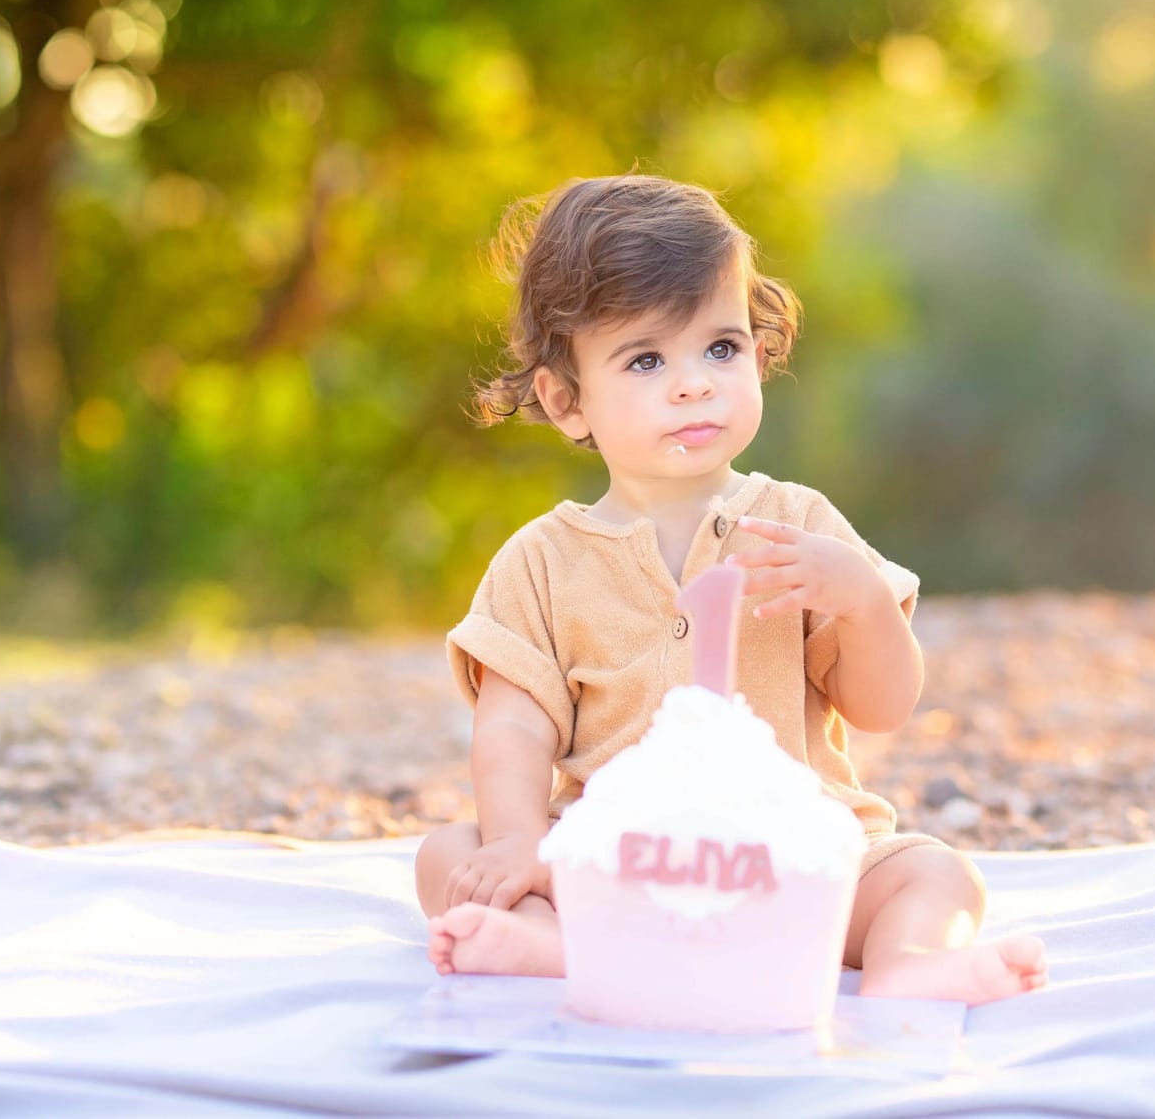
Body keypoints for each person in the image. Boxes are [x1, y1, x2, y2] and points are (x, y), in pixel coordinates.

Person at [415, 174, 1047, 1004]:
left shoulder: (797, 523)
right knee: (448, 856)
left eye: (721, 346)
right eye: (646, 358)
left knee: (937, 874)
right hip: (617, 861)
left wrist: (860, 600)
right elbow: (512, 729)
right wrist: (520, 840)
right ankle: (557, 938)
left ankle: (909, 966)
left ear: (758, 346)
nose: (694, 382)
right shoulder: (542, 561)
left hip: (792, 862)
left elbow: (884, 704)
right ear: (568, 401)